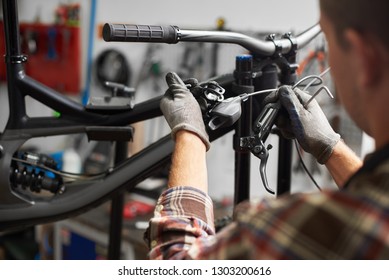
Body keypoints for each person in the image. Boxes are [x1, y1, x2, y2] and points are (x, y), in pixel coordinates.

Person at [144, 0, 389, 259]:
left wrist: (189, 134)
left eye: (328, 42)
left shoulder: (316, 226)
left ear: (365, 58)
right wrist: (332, 147)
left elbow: (174, 263)